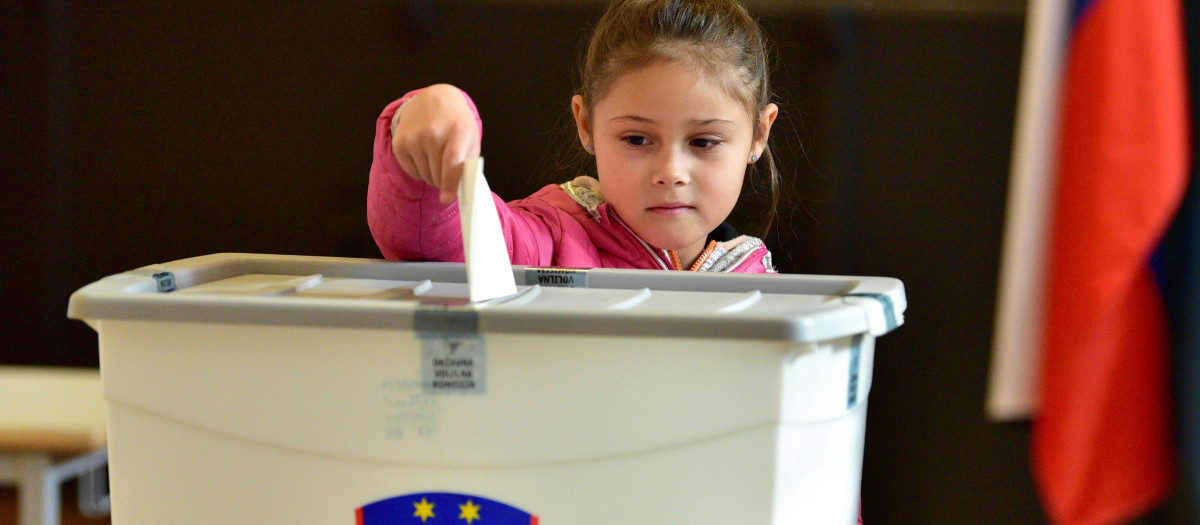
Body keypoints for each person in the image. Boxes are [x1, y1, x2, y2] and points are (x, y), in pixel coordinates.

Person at [369, 0, 783, 273]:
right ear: (585, 124)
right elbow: (441, 241)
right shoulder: (549, 241)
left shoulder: (760, 281)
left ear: (758, 135)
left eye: (704, 142)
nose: (671, 173)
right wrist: (417, 122)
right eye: (637, 139)